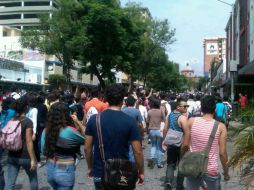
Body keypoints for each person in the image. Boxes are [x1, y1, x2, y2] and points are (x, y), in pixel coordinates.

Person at [84, 84, 144, 190]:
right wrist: (141, 171)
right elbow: (137, 152)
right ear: (123, 100)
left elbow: (87, 148)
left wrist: (90, 167)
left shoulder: (94, 120)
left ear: (106, 99)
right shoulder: (130, 121)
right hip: (122, 172)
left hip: (100, 171)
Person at [186, 95, 229, 189]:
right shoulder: (221, 127)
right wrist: (226, 172)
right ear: (215, 109)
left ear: (201, 108)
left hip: (193, 166)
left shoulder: (191, 121)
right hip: (211, 169)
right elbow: (222, 153)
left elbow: (185, 145)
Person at [41, 102, 85, 190]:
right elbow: (85, 138)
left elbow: (43, 150)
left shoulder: (45, 130)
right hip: (65, 169)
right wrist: (78, 122)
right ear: (66, 114)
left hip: (50, 168)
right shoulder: (69, 131)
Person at [5, 97, 38, 190]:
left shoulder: (11, 119)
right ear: (27, 107)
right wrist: (32, 159)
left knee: (10, 182)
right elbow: (28, 141)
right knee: (33, 179)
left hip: (12, 154)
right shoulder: (28, 121)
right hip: (25, 156)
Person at [163, 98, 190, 190]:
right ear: (178, 107)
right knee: (181, 165)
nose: (187, 108)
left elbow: (165, 129)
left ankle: (168, 182)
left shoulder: (170, 116)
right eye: (185, 106)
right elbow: (187, 133)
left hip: (171, 143)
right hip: (181, 144)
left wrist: (165, 141)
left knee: (170, 164)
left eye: (187, 106)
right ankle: (179, 185)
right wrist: (186, 146)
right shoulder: (182, 118)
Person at [147, 97, 165, 168]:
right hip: (159, 130)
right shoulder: (161, 111)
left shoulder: (149, 111)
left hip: (151, 130)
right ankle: (159, 163)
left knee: (153, 146)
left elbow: (147, 121)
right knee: (160, 147)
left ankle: (151, 160)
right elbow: (164, 120)